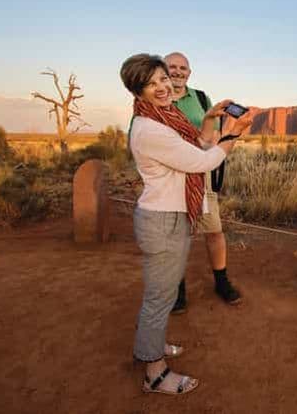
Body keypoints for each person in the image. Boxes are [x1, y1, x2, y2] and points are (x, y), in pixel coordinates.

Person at [120, 53, 251, 396]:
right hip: (162, 221)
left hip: (170, 216)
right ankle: (154, 373)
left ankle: (153, 345)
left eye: (163, 78)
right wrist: (231, 137)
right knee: (159, 297)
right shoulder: (150, 129)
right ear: (138, 92)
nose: (163, 87)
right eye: (152, 84)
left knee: (160, 294)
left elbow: (196, 142)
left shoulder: (164, 116)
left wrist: (209, 120)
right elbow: (202, 160)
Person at [164, 51, 242, 311]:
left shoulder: (200, 98)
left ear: (189, 72)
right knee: (175, 235)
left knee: (214, 230)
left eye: (182, 68)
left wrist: (222, 139)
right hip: (170, 178)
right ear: (163, 70)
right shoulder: (155, 97)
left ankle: (221, 281)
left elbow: (213, 134)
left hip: (202, 175)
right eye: (172, 67)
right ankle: (177, 289)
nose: (177, 72)